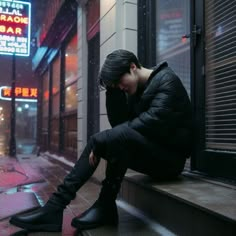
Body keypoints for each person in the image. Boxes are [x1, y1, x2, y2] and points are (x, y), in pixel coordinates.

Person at [10, 49, 192, 232]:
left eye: (119, 82)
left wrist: (101, 141)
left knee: (107, 139)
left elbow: (147, 124)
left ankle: (72, 207)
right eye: (116, 86)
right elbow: (120, 124)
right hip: (154, 154)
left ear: (133, 67)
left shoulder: (167, 82)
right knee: (113, 140)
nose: (121, 87)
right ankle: (71, 207)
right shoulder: (137, 90)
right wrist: (112, 92)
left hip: (171, 162)